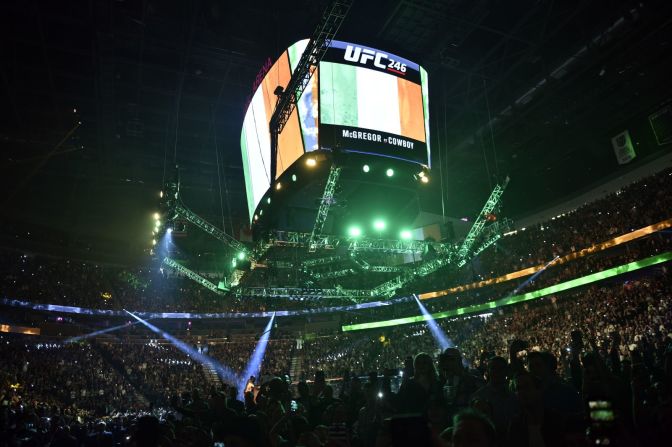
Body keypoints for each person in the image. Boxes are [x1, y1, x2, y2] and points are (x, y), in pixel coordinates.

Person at [470, 356, 518, 439]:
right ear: (488, 371)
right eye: (494, 368)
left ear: (506, 371)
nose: (497, 371)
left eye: (500, 368)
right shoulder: (479, 396)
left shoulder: (514, 396)